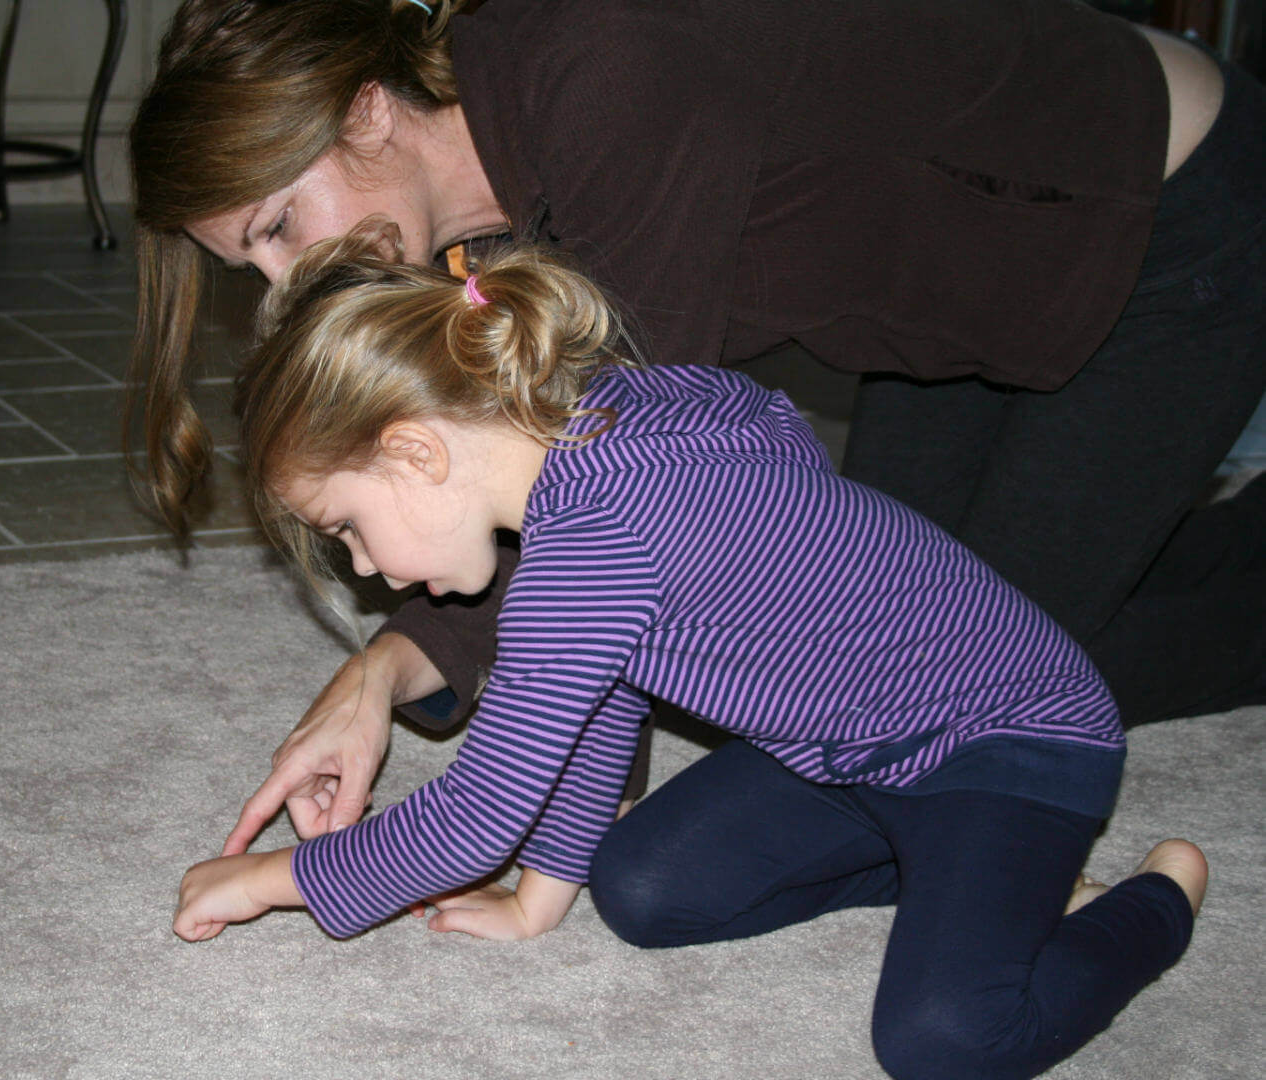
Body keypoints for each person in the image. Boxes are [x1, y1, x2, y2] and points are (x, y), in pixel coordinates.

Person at [126, 0, 1266, 850]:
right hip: (957, 311)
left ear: (367, 110)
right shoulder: (466, 238)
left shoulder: (609, 78)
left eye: (280, 226)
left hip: (1164, 226)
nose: (290, 281)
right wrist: (390, 669)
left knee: (985, 697)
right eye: (252, 263)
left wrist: (421, 686)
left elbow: (617, 498)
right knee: (862, 634)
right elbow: (525, 475)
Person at [171, 226, 1207, 1080]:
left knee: (947, 1040)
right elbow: (609, 685)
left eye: (349, 528)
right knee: (643, 889)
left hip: (1010, 739)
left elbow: (472, 816)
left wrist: (269, 879)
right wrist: (540, 899)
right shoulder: (611, 420)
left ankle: (1157, 898)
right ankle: (976, 884)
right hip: (844, 750)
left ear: (414, 451)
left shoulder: (591, 545)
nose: (369, 570)